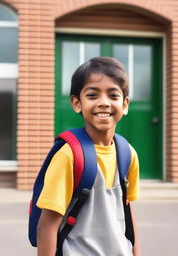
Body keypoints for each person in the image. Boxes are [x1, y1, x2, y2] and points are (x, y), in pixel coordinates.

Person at [36, 57, 140, 256]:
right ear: (77, 103)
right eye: (92, 95)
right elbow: (47, 225)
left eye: (113, 95)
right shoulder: (68, 155)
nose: (103, 103)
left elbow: (127, 213)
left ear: (124, 104)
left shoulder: (128, 154)